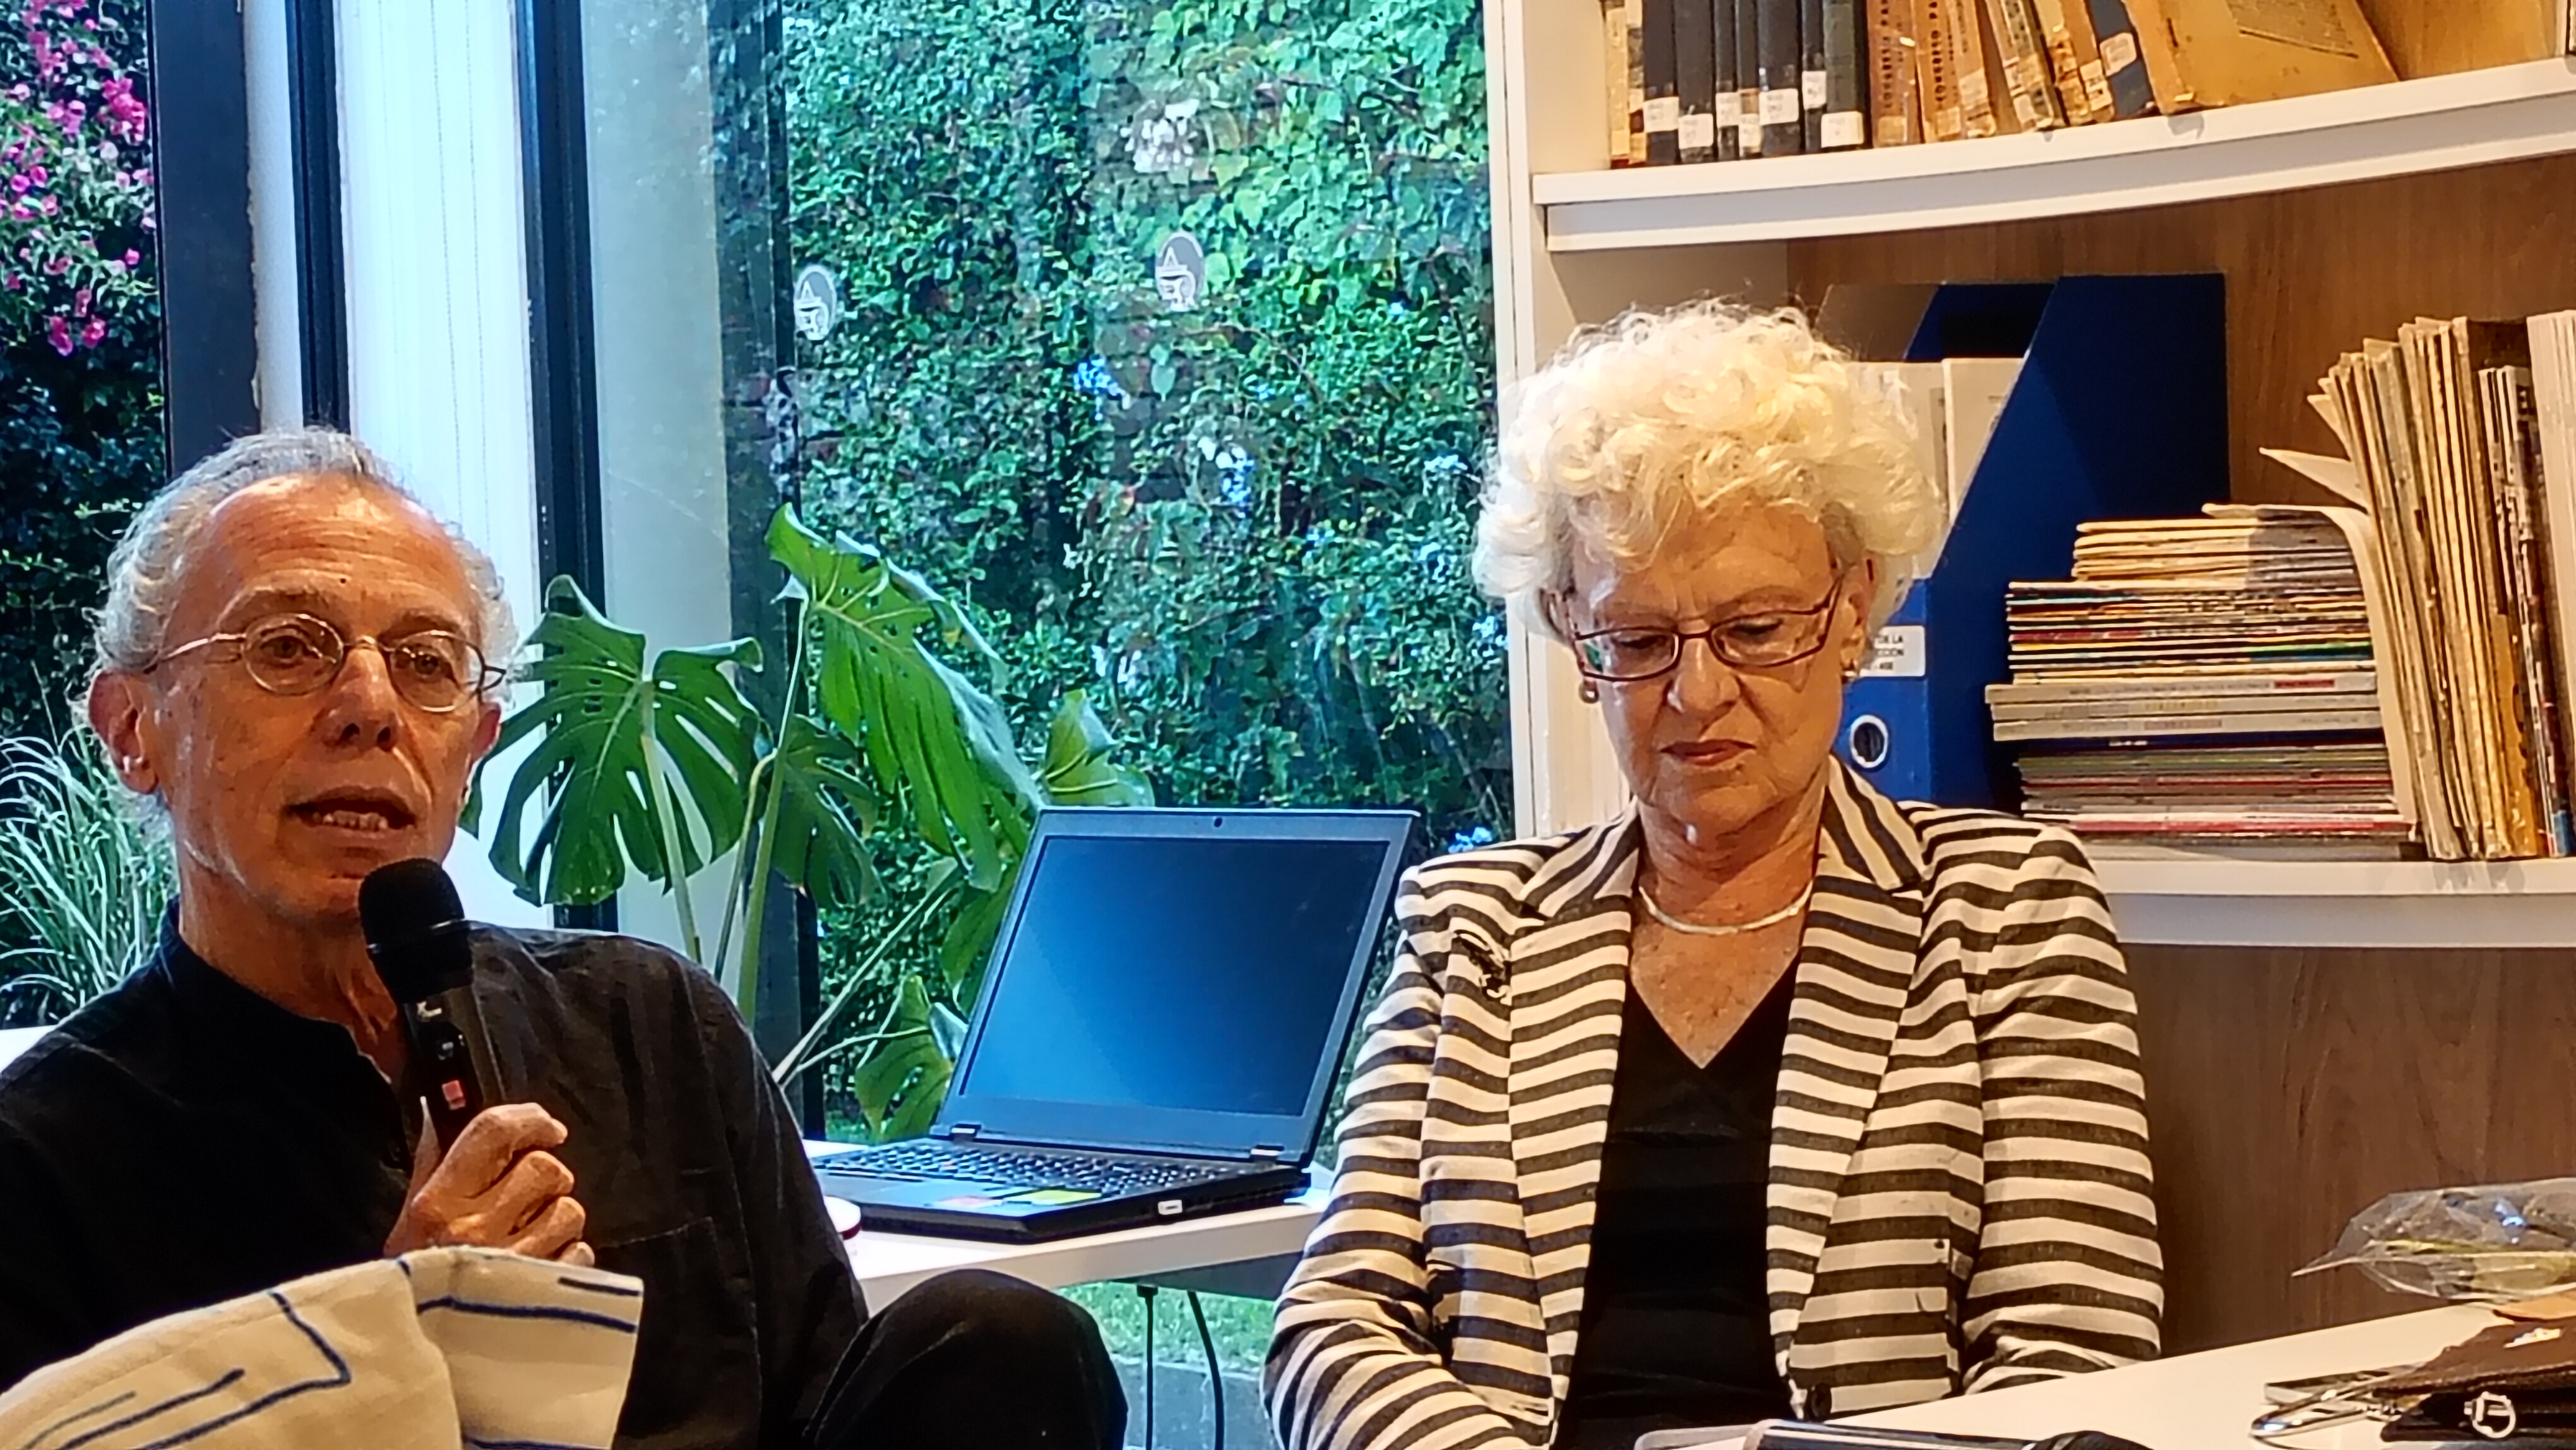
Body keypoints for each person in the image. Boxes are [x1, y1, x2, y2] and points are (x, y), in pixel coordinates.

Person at [0, 429, 1126, 1450]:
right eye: (289, 648)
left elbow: (823, 1399)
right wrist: (390, 1339)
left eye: (427, 663)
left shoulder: (649, 1023)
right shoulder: (43, 1159)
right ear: (134, 731)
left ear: (476, 743)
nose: (370, 706)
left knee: (1001, 1339)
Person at [1265, 304, 2164, 1450]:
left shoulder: (2000, 907)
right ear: (1573, 634)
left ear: (1853, 610)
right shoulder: (1475, 924)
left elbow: (2075, 1351)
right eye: (1639, 641)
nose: (1696, 694)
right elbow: (1332, 1331)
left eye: (1755, 630)